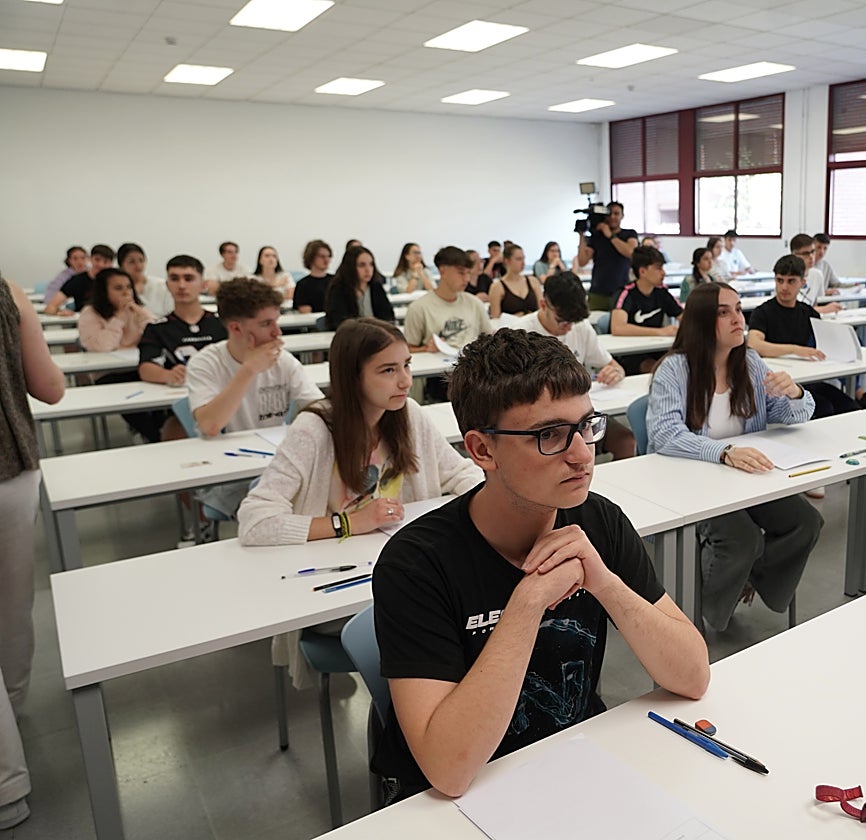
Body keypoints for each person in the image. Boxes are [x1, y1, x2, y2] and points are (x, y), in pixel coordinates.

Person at [371, 328, 709, 799]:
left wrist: (605, 583)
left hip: (572, 760)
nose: (581, 454)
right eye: (548, 435)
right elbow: (448, 771)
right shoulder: (416, 564)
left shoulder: (600, 521)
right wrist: (528, 602)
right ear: (482, 450)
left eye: (586, 426)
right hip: (462, 798)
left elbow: (692, 676)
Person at [238, 318, 483, 685]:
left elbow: (461, 474)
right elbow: (255, 521)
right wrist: (348, 523)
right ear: (352, 377)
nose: (404, 381)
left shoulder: (407, 415)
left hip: (402, 570)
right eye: (388, 370)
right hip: (340, 589)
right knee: (453, 618)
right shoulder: (315, 429)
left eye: (406, 366)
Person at [647, 281, 823, 632]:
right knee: (743, 540)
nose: (737, 319)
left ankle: (750, 578)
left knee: (806, 522)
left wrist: (795, 393)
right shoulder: (675, 368)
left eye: (739, 309)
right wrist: (724, 452)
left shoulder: (751, 362)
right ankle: (706, 613)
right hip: (691, 478)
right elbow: (664, 434)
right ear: (700, 321)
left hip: (742, 478)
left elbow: (792, 416)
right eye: (723, 312)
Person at [0, 274, 65, 830]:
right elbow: (50, 388)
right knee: (12, 608)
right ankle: (12, 718)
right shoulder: (8, 291)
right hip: (10, 470)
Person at [186, 278, 324, 519]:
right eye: (266, 324)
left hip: (275, 465)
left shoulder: (283, 361)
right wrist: (249, 370)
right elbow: (210, 425)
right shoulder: (205, 363)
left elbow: (319, 408)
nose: (277, 332)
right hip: (226, 476)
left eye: (276, 322)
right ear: (236, 328)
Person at [512, 272, 635, 459]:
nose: (569, 327)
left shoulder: (582, 327)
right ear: (543, 305)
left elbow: (613, 365)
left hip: (582, 417)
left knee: (626, 441)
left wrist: (615, 372)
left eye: (573, 321)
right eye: (562, 321)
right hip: (540, 422)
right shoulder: (520, 334)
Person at [747, 255, 866, 417]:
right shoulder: (762, 312)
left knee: (849, 407)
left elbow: (824, 343)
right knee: (824, 409)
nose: (784, 287)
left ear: (802, 283)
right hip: (778, 384)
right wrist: (796, 350)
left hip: (807, 379)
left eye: (791, 281)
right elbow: (755, 344)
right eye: (780, 280)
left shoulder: (807, 312)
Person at [138, 255, 228, 441]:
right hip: (182, 403)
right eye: (174, 278)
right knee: (176, 429)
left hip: (223, 397)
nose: (181, 285)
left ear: (202, 284)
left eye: (188, 278)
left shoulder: (222, 323)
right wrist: (167, 375)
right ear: (167, 284)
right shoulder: (157, 328)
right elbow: (146, 368)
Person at [405, 246, 493, 353]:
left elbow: (490, 338)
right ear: (442, 272)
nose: (466, 279)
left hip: (472, 365)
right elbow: (408, 349)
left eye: (468, 273)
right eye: (461, 273)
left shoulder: (475, 303)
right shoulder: (418, 308)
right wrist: (426, 348)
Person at [611, 246, 681, 374]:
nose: (663, 273)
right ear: (642, 271)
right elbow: (618, 328)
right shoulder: (626, 293)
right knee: (658, 370)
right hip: (631, 353)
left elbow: (684, 316)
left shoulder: (662, 292)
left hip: (657, 350)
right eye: (658, 268)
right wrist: (660, 332)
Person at [77, 267, 155, 352]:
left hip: (135, 360)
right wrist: (119, 318)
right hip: (105, 363)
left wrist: (140, 312)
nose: (126, 292)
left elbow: (157, 336)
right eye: (118, 288)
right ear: (104, 292)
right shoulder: (90, 313)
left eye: (129, 287)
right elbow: (101, 347)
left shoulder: (136, 310)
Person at [324, 245, 393, 331]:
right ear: (351, 267)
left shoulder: (376, 287)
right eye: (362, 265)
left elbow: (388, 316)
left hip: (377, 335)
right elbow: (340, 322)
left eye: (371, 264)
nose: (368, 269)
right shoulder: (339, 289)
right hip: (351, 338)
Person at [586, 201, 638, 311]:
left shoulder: (629, 234)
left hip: (621, 290)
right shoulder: (597, 237)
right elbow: (582, 261)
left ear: (622, 216)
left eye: (616, 214)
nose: (612, 217)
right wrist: (581, 235)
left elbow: (630, 252)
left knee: (619, 325)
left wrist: (610, 235)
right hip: (597, 291)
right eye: (609, 214)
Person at [44, 243, 113, 315]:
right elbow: (50, 307)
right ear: (90, 259)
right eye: (97, 260)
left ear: (111, 264)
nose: (100, 264)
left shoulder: (117, 281)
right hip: (84, 322)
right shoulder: (77, 280)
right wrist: (60, 313)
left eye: (105, 262)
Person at [789, 234, 841, 314]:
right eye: (806, 253)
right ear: (794, 255)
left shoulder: (817, 275)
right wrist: (825, 309)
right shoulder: (786, 275)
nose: (811, 256)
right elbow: (791, 310)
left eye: (813, 252)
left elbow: (815, 304)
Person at [488, 243, 543, 319]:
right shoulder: (497, 287)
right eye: (518, 259)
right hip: (511, 327)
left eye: (523, 258)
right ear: (507, 261)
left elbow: (542, 310)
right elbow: (495, 319)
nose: (523, 263)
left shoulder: (533, 281)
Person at [117, 242, 171, 318]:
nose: (138, 266)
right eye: (131, 262)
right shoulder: (118, 289)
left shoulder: (161, 285)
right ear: (121, 265)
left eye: (141, 260)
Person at [293, 240, 332, 314]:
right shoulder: (303, 285)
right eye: (322, 256)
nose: (326, 260)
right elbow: (306, 313)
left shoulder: (336, 281)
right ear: (311, 257)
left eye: (328, 256)